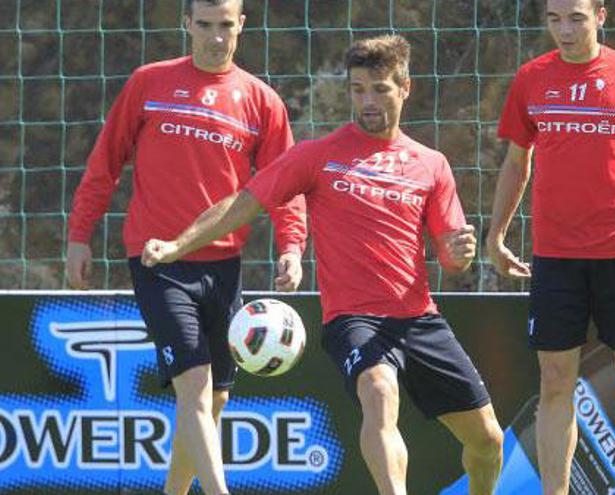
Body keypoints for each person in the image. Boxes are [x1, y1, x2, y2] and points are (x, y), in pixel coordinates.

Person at [140, 34, 505, 495]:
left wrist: (461, 252)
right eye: (358, 90)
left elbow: (452, 257)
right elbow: (243, 204)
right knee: (379, 392)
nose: (367, 101)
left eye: (380, 89)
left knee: (488, 441)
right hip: (353, 319)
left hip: (419, 320)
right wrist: (176, 246)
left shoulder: (431, 165)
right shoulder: (319, 155)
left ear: (405, 87)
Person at [65, 1, 307, 494]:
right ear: (186, 25)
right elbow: (104, 163)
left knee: (212, 403)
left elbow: (284, 183)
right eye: (204, 25)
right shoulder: (148, 83)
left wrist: (292, 246)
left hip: (224, 264)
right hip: (157, 258)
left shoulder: (262, 101)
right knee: (194, 390)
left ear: (241, 24)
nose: (215, 37)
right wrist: (78, 236)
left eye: (225, 25)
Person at [485, 0, 615, 493]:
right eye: (554, 19)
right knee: (555, 382)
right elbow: (517, 162)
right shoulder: (531, 78)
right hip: (555, 258)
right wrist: (496, 234)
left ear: (600, 15)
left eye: (575, 17)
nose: (564, 30)